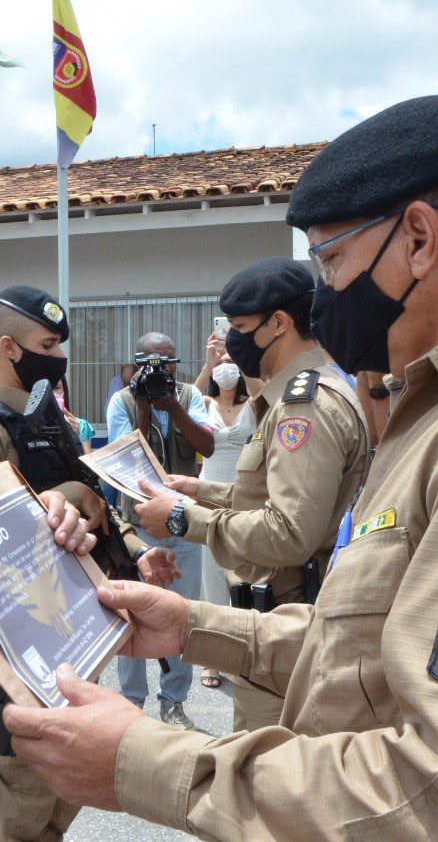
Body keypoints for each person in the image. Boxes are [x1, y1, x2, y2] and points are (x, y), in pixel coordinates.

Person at [1, 93, 438, 840]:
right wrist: (194, 627)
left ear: (419, 239)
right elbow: (381, 649)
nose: (324, 294)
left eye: (331, 260)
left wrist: (142, 761)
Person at [0, 285, 177, 842]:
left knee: (59, 803)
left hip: (77, 631)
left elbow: (94, 502)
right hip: (29, 647)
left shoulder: (48, 419)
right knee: (21, 811)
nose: (59, 356)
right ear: (9, 347)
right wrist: (68, 493)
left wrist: (136, 554)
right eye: (47, 345)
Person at [134, 257, 370, 731]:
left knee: (265, 765)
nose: (232, 343)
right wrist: (200, 491)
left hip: (289, 629)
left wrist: (183, 518)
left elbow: (289, 532)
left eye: (241, 328)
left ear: (278, 323)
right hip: (282, 626)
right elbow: (281, 495)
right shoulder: (296, 397)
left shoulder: (304, 407)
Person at [106, 332, 216, 730]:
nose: (160, 369)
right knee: (132, 614)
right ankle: (132, 702)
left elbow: (208, 445)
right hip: (137, 530)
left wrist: (172, 406)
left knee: (184, 615)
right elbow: (126, 458)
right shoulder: (122, 400)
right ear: (136, 364)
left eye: (167, 361)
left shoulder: (190, 395)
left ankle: (173, 703)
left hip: (183, 526)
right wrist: (143, 407)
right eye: (151, 361)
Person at [193, 343, 255, 690]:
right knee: (212, 574)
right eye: (223, 362)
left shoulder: (253, 405)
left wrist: (243, 363)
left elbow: (269, 397)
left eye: (232, 361)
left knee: (245, 574)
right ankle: (212, 660)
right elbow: (184, 402)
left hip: (245, 495)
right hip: (209, 495)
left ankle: (244, 654)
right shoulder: (205, 402)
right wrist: (208, 362)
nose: (226, 367)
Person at [53, 378, 95, 451]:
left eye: (56, 387)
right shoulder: (32, 426)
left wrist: (74, 437)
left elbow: (86, 457)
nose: (49, 393)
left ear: (64, 390)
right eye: (43, 388)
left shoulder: (81, 425)